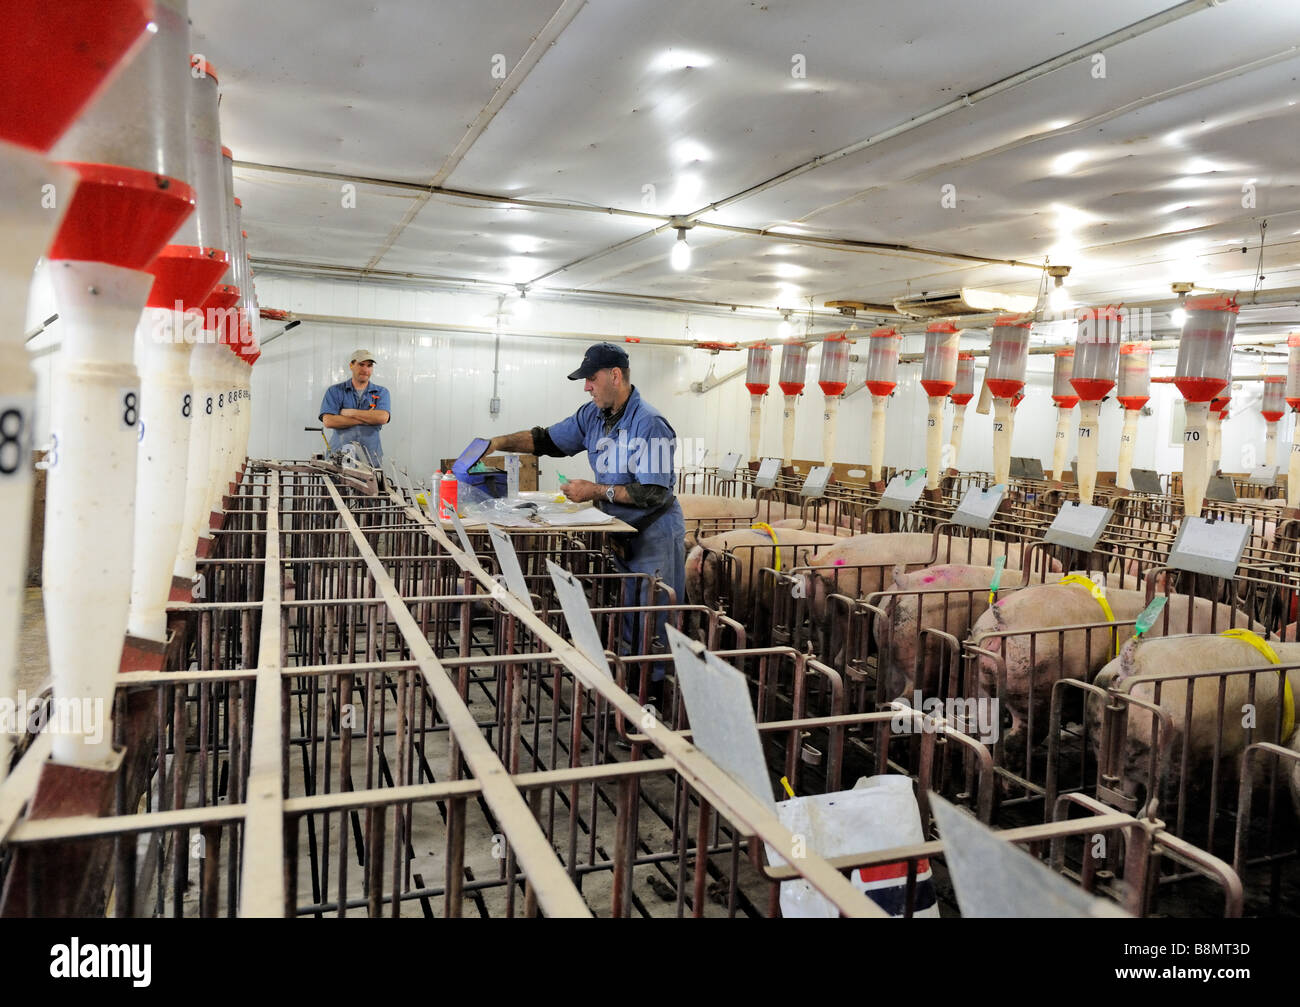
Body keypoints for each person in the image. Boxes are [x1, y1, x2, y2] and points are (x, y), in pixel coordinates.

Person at [483, 342, 685, 691]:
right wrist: (497, 442)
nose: (587, 387)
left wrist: (595, 491)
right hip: (621, 531)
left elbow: (653, 492)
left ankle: (653, 703)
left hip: (654, 534)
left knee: (653, 617)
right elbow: (545, 440)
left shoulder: (650, 424)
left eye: (591, 378)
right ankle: (628, 690)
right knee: (628, 615)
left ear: (615, 376)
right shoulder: (592, 415)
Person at [319, 348, 391, 465]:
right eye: (361, 365)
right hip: (339, 458)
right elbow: (328, 421)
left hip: (370, 459)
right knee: (336, 484)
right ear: (351, 365)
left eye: (369, 366)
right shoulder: (335, 391)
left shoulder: (381, 392)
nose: (365, 370)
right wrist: (369, 418)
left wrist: (351, 412)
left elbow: (382, 418)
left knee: (369, 483)